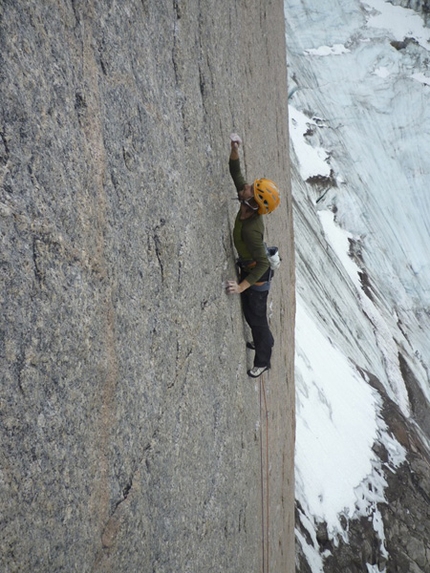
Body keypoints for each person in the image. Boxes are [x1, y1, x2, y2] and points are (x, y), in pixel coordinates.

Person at [225, 134, 280, 378]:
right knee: (250, 314)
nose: (245, 186)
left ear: (253, 202)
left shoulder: (251, 229)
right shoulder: (247, 204)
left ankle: (264, 359)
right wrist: (234, 149)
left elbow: (263, 264)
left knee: (256, 318)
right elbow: (235, 172)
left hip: (257, 276)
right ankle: (265, 341)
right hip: (252, 270)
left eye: (250, 188)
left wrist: (241, 286)